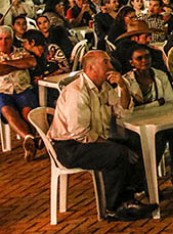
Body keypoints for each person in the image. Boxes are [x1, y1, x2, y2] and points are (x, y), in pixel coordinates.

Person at [48, 50, 157, 221]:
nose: (111, 66)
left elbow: (123, 113)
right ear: (91, 68)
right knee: (116, 152)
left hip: (91, 138)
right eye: (105, 62)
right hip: (69, 146)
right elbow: (79, 132)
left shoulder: (104, 87)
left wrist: (122, 86)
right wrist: (110, 144)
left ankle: (129, 196)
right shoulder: (77, 91)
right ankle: (112, 208)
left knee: (135, 140)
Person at [122, 45, 173, 191]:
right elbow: (127, 111)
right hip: (137, 126)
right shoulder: (126, 81)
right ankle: (147, 182)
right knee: (157, 140)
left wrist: (147, 106)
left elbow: (169, 102)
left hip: (161, 120)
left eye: (147, 57)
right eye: (139, 58)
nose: (144, 60)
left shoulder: (160, 76)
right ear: (132, 62)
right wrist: (157, 103)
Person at [0, 26, 40, 159]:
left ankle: (29, 140)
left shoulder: (21, 51)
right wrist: (18, 64)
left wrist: (8, 64)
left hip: (22, 89)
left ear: (12, 40)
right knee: (7, 111)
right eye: (0, 39)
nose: (3, 42)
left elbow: (31, 62)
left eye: (7, 39)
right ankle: (30, 138)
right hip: (3, 92)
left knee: (27, 112)